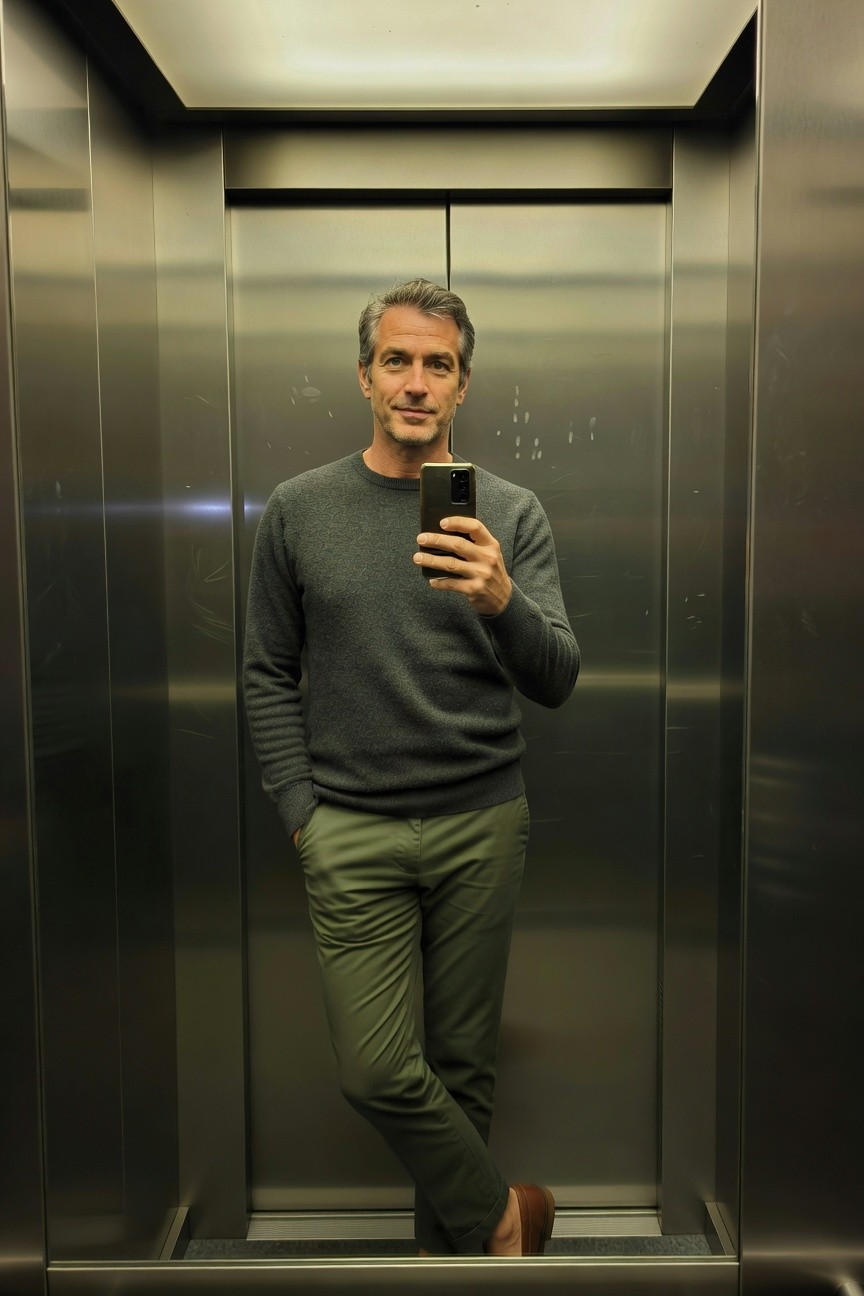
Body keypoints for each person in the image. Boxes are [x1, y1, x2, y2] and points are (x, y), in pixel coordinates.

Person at [243, 278, 579, 1256]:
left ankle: (458, 1263)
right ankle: (506, 1219)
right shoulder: (300, 510)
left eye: (439, 364)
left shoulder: (509, 513)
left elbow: (557, 677)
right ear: (365, 376)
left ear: (462, 386)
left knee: (464, 1072)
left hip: (483, 823)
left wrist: (502, 600)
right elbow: (266, 669)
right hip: (349, 829)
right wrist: (303, 812)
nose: (417, 382)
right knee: (379, 1071)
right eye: (398, 360)